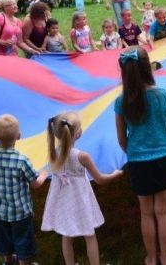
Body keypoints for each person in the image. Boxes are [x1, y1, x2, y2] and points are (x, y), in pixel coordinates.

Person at [114, 46, 166, 265]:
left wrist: (135, 153)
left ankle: (151, 258)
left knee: (147, 213)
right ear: (148, 68)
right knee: (163, 211)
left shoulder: (121, 102)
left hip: (138, 162)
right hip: (164, 158)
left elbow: (122, 140)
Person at [42, 112, 123, 265]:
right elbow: (99, 179)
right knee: (89, 235)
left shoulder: (53, 153)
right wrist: (115, 174)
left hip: (63, 200)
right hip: (80, 200)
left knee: (66, 235)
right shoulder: (82, 156)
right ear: (78, 134)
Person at [0, 114, 48, 264]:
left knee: (4, 238)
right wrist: (44, 174)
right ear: (19, 136)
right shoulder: (21, 160)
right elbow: (35, 183)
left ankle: (8, 261)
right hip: (19, 212)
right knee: (23, 240)